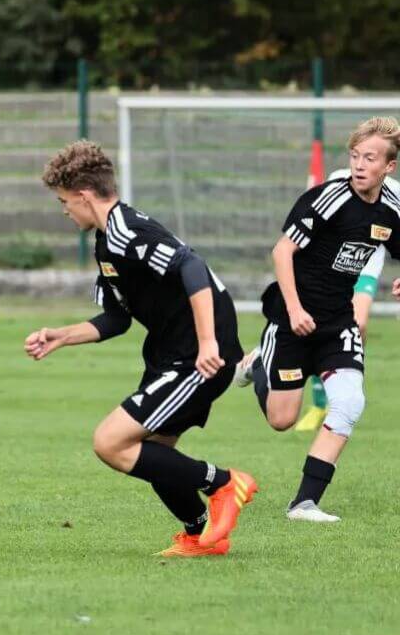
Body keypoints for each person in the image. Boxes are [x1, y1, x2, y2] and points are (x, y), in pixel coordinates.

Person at [25, 140, 256, 557]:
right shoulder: (105, 243)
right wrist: (63, 335)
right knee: (155, 455)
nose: (63, 211)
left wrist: (207, 343)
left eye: (63, 202)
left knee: (110, 442)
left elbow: (192, 266)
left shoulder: (129, 229)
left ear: (83, 195)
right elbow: (117, 318)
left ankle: (224, 483)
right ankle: (200, 535)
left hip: (199, 356)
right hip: (171, 355)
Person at [235, 117, 400, 522]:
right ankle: (259, 364)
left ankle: (304, 503)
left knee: (349, 403)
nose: (360, 165)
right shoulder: (327, 198)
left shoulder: (391, 210)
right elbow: (281, 252)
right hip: (293, 320)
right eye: (355, 156)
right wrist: (294, 309)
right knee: (282, 420)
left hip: (336, 324)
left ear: (389, 167)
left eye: (370, 158)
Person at [294, 170, 395, 432]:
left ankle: (337, 397)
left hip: (367, 263)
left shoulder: (395, 193)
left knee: (358, 324)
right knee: (316, 325)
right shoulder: (341, 179)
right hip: (333, 265)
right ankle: (264, 359)